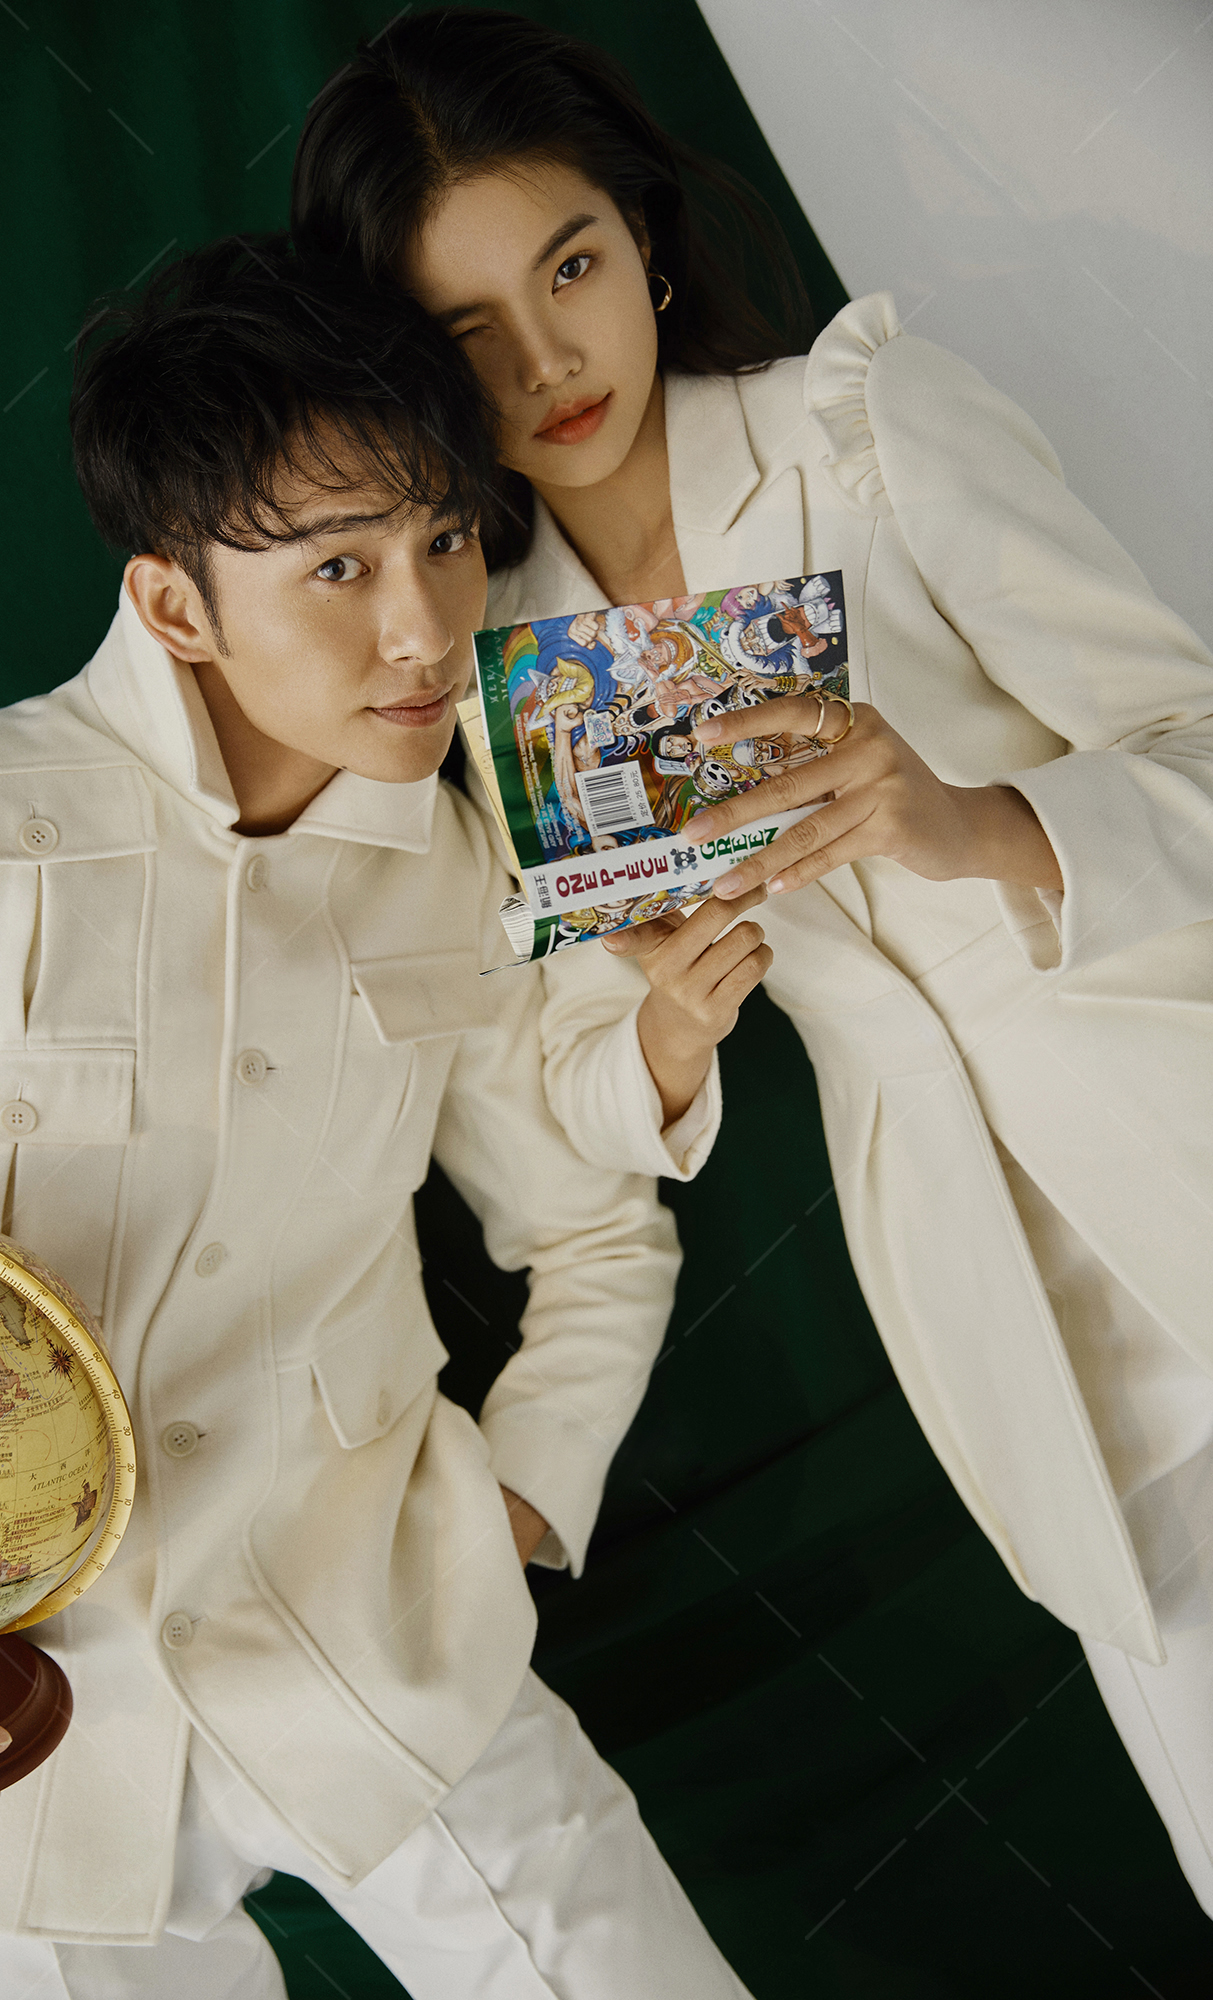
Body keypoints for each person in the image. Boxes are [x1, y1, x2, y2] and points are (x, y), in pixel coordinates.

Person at [290, 8, 1213, 1912]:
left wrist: (976, 822)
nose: (544, 363)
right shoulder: (505, 673)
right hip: (994, 1301)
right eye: (466, 331)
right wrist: (664, 1031)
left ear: (643, 237)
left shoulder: (858, 428)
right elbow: (573, 1084)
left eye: (569, 269)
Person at [0, 234, 758, 1999]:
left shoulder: (469, 867)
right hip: (13, 1747)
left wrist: (518, 1506)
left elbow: (593, 1226)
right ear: (174, 606)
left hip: (393, 1655)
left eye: (445, 539)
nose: (423, 629)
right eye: (337, 566)